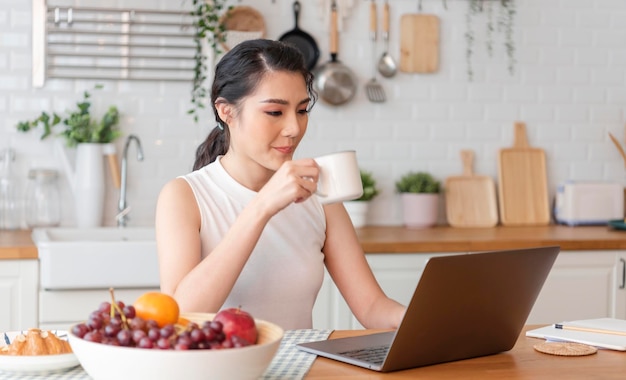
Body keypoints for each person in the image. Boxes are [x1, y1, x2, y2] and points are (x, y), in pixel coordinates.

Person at [156, 39, 405, 330]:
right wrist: (262, 206)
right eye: (275, 112)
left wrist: (428, 320)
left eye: (302, 110)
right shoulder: (185, 196)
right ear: (226, 111)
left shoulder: (320, 195)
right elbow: (180, 318)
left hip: (299, 371)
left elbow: (373, 307)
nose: (294, 129)